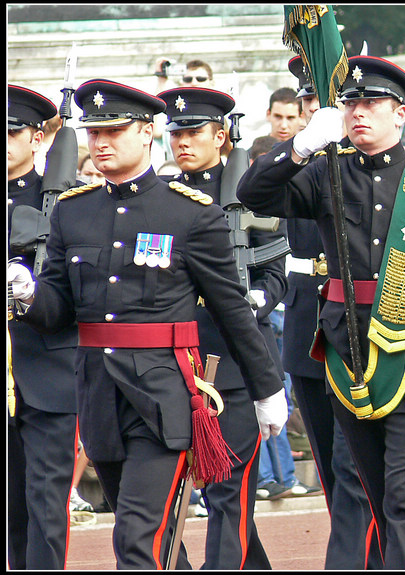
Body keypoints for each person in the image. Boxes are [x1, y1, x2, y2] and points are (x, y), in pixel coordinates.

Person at [237, 55, 405, 569]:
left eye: (372, 103)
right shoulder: (326, 173)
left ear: (399, 114)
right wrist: (298, 147)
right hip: (348, 355)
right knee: (372, 492)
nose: (359, 112)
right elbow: (252, 193)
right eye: (352, 103)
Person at [8, 79, 288, 569]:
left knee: (137, 539)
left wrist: (267, 390)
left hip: (161, 398)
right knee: (147, 537)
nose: (101, 143)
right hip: (99, 397)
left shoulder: (189, 215)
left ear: (146, 133)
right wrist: (28, 293)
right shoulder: (73, 212)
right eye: (94, 133)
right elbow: (58, 313)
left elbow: (230, 309)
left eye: (114, 131)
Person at [156, 85, 292, 567]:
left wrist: (255, 298)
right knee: (174, 496)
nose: (183, 143)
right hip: (174, 362)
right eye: (177, 134)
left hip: (234, 363)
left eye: (194, 133)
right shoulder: (161, 198)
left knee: (229, 492)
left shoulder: (249, 195)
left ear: (221, 136)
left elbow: (276, 272)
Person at [278, 55, 381, 569]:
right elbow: (260, 193)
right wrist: (299, 149)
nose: (319, 113)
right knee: (328, 458)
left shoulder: (367, 166)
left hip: (359, 323)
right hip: (306, 318)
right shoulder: (295, 162)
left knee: (354, 463)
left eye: (328, 104)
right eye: (310, 105)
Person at [6, 84, 80, 570]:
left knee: (44, 506)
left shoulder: (67, 203)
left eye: (12, 132)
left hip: (44, 369)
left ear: (37, 138)